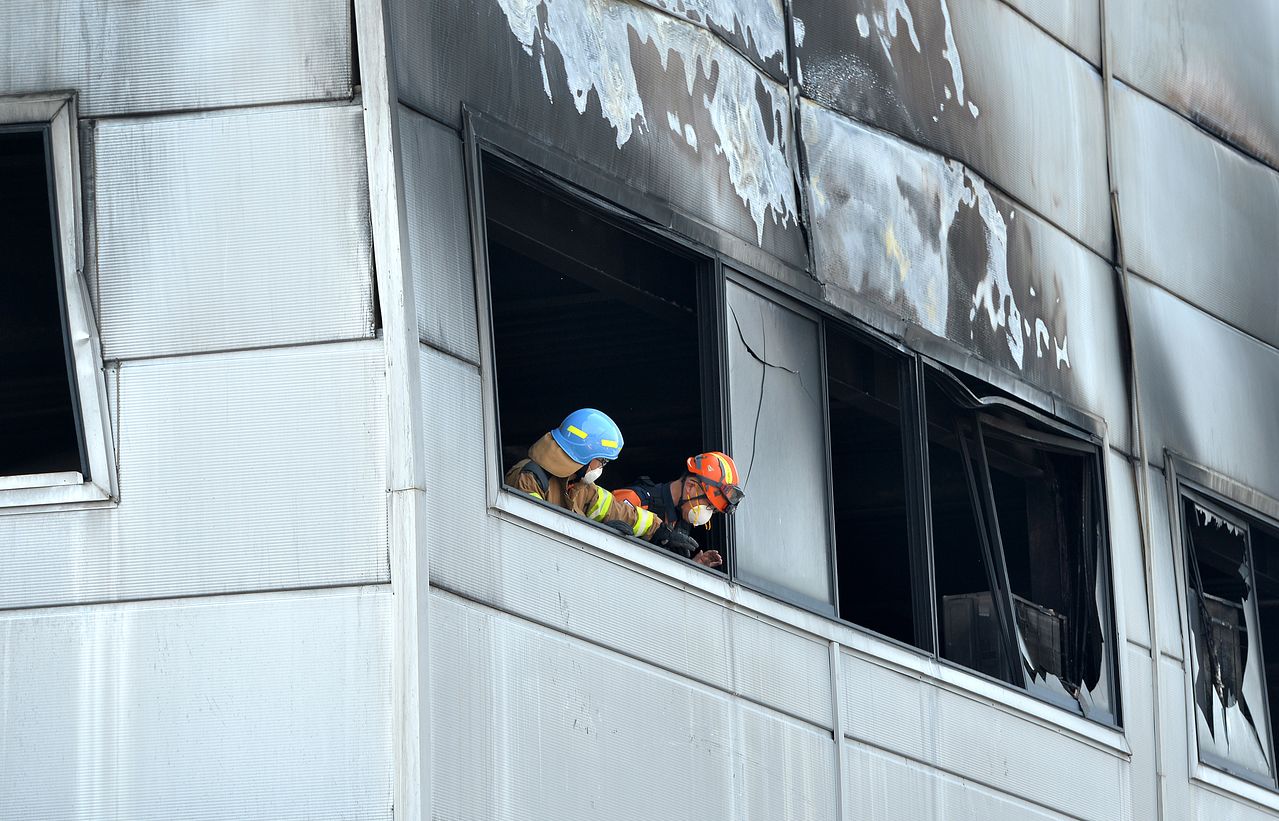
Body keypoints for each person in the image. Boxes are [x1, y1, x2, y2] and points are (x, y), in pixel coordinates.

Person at [504, 408, 700, 555]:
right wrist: (597, 534)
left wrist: (660, 531)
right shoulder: (530, 478)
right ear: (584, 453)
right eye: (602, 460)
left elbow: (618, 510)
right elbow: (535, 535)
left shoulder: (579, 486)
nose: (601, 468)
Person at [614, 451, 744, 568]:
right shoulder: (636, 499)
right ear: (690, 486)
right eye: (708, 504)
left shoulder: (681, 524)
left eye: (713, 510)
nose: (708, 512)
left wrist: (691, 567)